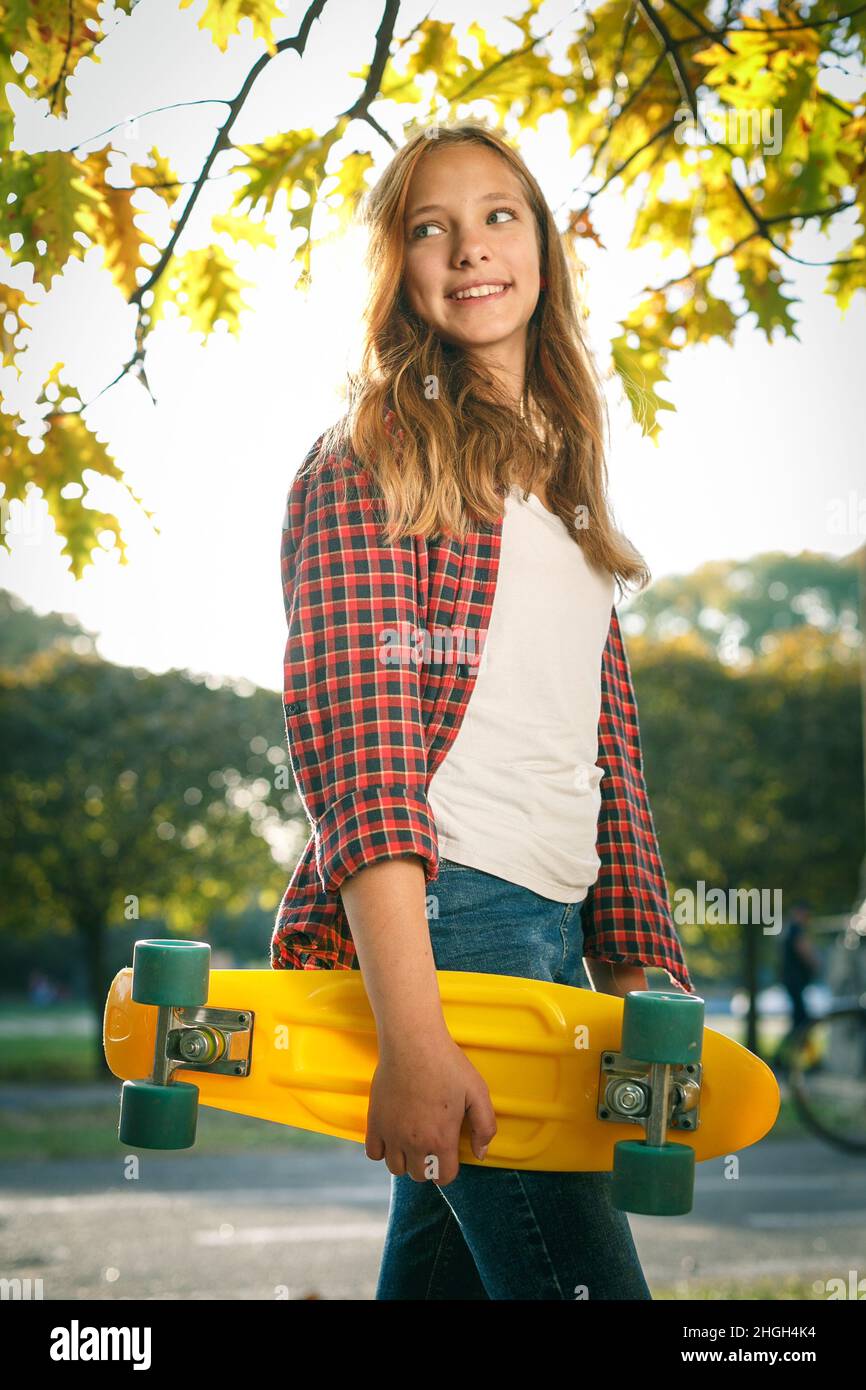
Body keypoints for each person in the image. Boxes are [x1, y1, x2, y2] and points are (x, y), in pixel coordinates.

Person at [271, 119, 693, 1300]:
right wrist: (414, 1036)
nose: (468, 249)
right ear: (396, 269)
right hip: (458, 925)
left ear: (543, 249)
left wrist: (638, 964)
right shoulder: (370, 455)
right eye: (428, 227)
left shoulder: (559, 481)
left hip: (551, 932)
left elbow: (605, 755)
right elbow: (358, 751)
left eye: (497, 216)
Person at [776, 899, 820, 1073]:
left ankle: (789, 1058)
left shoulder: (788, 930)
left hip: (792, 983)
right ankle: (789, 1059)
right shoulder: (796, 930)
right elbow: (804, 949)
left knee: (799, 1022)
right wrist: (815, 962)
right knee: (802, 1022)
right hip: (795, 983)